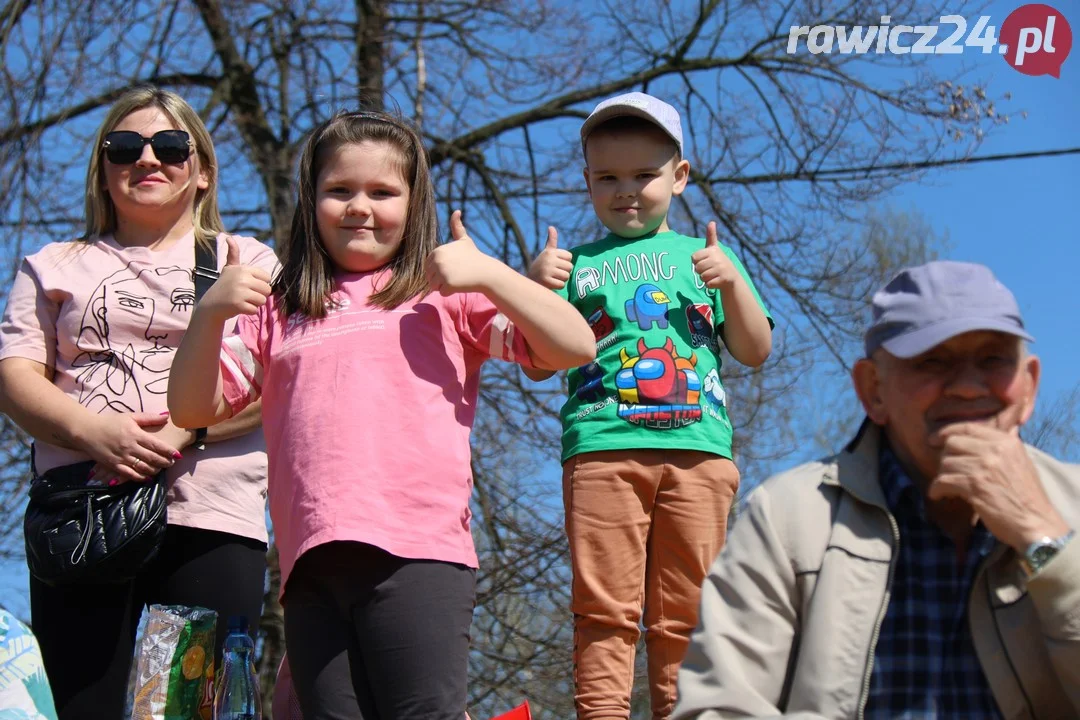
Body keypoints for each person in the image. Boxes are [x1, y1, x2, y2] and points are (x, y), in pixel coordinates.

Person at [167, 109, 596, 720]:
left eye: (382, 192)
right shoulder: (282, 307)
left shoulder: (441, 292)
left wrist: (494, 275)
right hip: (310, 565)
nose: (359, 207)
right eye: (339, 190)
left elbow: (573, 346)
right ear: (311, 201)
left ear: (414, 203)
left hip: (419, 555)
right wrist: (208, 316)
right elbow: (189, 407)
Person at [673, 260, 1080, 718]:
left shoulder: (1075, 506)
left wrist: (1046, 542)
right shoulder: (788, 517)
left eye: (993, 360)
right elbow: (718, 707)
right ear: (873, 390)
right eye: (933, 361)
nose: (967, 387)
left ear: (1028, 387)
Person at [0, 86, 277, 719]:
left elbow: (274, 378)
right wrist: (96, 435)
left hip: (208, 518)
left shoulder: (246, 260)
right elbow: (16, 378)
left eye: (170, 146)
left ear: (202, 169)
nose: (147, 160)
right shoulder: (51, 264)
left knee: (191, 709)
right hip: (85, 516)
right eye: (124, 147)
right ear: (104, 168)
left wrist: (184, 434)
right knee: (84, 706)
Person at [524, 92, 773, 719]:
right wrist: (534, 287)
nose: (626, 190)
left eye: (644, 174)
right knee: (604, 608)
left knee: (688, 611)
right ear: (586, 182)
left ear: (680, 177)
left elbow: (755, 348)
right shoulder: (575, 267)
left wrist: (733, 282)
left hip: (699, 456)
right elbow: (536, 361)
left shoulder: (705, 257)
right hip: (602, 450)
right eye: (607, 177)